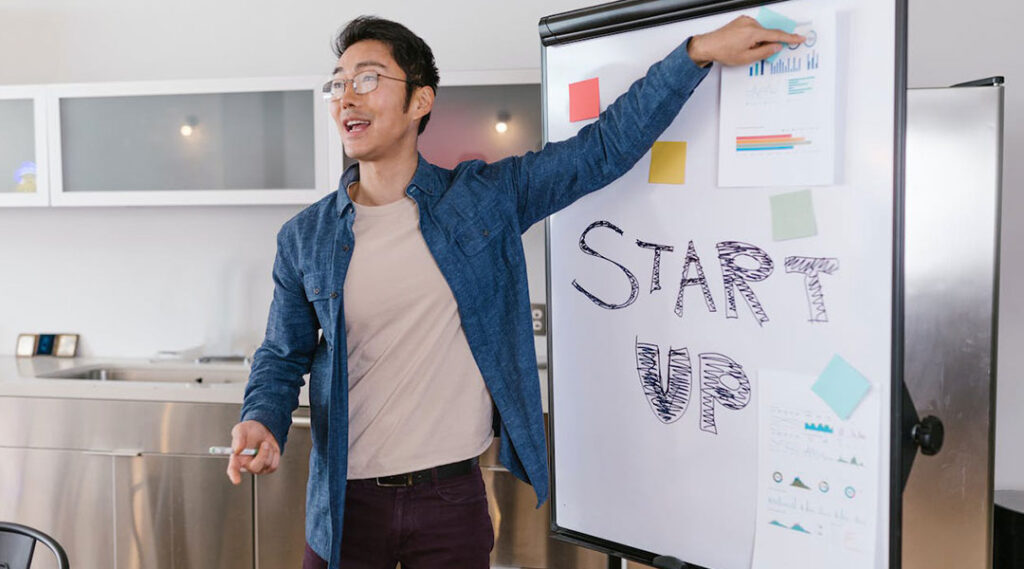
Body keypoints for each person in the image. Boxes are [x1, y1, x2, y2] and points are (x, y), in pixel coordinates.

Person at [225, 13, 802, 569]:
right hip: (345, 505)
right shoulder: (305, 238)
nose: (346, 96)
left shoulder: (484, 199)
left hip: (450, 500)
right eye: (338, 84)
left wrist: (695, 54)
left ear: (420, 100)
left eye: (368, 78)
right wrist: (262, 419)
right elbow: (282, 356)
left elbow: (601, 151)